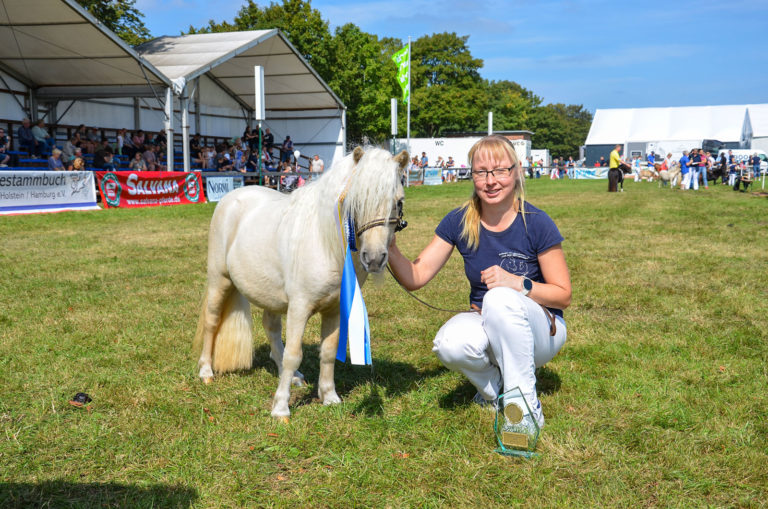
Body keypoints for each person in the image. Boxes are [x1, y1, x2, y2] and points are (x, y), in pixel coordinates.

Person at [388, 135, 570, 428]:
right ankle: (494, 388)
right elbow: (416, 276)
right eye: (481, 172)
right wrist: (389, 247)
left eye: (500, 170)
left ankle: (524, 410)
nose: (491, 181)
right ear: (471, 175)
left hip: (543, 331)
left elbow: (563, 296)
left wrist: (518, 284)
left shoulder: (537, 222)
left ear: (517, 171)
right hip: (486, 321)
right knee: (449, 344)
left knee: (498, 297)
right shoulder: (458, 221)